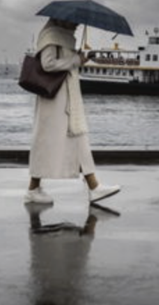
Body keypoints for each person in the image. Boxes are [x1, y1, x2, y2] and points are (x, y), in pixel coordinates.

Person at [24, 18, 120, 205]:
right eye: (74, 21)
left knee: (77, 137)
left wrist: (76, 57)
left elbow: (61, 62)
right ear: (62, 20)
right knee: (46, 141)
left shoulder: (63, 37)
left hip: (66, 97)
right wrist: (75, 59)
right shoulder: (51, 36)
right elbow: (48, 64)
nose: (77, 24)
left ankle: (93, 187)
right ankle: (33, 189)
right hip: (55, 99)